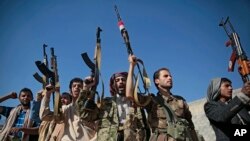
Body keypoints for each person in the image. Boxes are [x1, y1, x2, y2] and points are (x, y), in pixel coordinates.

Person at [126, 55, 200, 141]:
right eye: (165, 76)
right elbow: (129, 94)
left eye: (170, 76)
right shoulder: (151, 101)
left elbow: (191, 127)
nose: (170, 78)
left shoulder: (180, 101)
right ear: (157, 81)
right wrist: (132, 66)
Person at [95, 71, 147, 141]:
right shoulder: (104, 103)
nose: (121, 82)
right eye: (117, 80)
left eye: (123, 79)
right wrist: (88, 88)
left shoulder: (137, 103)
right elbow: (86, 116)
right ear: (113, 85)